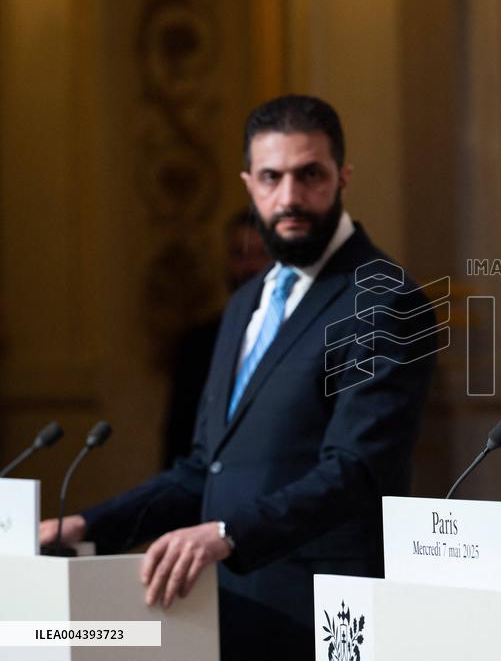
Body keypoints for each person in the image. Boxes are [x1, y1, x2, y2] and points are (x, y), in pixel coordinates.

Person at [40, 94, 437, 658]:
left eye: (310, 175)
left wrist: (227, 534)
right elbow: (205, 468)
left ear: (343, 177)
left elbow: (357, 470)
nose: (290, 197)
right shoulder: (245, 303)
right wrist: (85, 525)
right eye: (272, 177)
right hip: (222, 609)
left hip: (327, 615)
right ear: (249, 183)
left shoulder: (386, 299)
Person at [162, 208, 271, 469]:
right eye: (239, 255)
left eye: (262, 255)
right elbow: (178, 437)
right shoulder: (198, 344)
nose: (250, 267)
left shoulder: (303, 336)